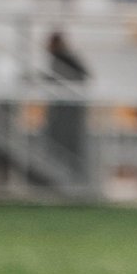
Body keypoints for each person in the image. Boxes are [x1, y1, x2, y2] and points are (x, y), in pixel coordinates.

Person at [44, 30, 90, 177]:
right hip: (65, 106)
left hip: (68, 107)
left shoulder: (63, 58)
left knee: (66, 139)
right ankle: (65, 169)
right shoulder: (63, 58)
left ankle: (70, 171)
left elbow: (81, 77)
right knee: (62, 139)